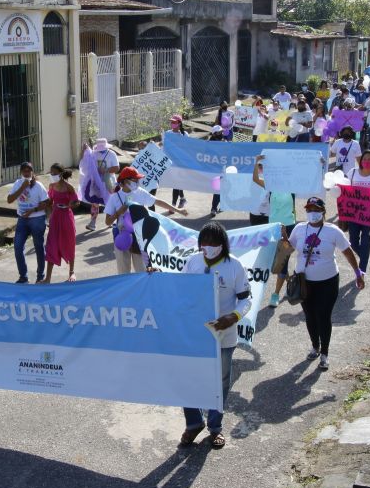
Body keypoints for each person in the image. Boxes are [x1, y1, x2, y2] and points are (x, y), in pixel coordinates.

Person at [180, 221, 251, 449]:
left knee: (220, 382)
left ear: (223, 245)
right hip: (194, 333)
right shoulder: (192, 262)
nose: (208, 247)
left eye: (214, 243)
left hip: (224, 335)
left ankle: (215, 428)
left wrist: (234, 317)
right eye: (205, 243)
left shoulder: (235, 266)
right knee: (187, 378)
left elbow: (245, 299)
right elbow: (177, 290)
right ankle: (193, 423)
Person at [287, 197, 365, 370]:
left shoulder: (333, 231)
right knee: (310, 316)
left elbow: (348, 252)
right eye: (309, 210)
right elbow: (288, 249)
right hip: (304, 282)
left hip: (327, 282)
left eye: (315, 209)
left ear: (323, 212)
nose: (312, 213)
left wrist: (358, 273)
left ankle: (325, 353)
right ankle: (315, 346)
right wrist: (282, 242)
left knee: (323, 316)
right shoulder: (299, 229)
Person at [104, 167, 187, 274]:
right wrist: (119, 212)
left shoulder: (140, 192)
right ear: (125, 181)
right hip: (122, 236)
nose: (138, 182)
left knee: (142, 270)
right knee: (123, 272)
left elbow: (157, 202)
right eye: (135, 180)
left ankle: (142, 290)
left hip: (140, 237)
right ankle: (128, 291)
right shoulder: (114, 197)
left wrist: (177, 210)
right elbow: (108, 222)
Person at [252, 156, 296, 307]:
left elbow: (311, 180)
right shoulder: (271, 186)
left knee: (283, 260)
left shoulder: (293, 186)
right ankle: (288, 278)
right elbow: (256, 179)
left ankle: (275, 294)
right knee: (275, 259)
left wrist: (320, 165)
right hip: (273, 227)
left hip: (289, 226)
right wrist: (256, 162)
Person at [7, 161, 50, 283]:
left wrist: (33, 210)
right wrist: (22, 187)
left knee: (38, 247)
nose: (26, 173)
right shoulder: (18, 184)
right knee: (18, 247)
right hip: (22, 219)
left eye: (28, 171)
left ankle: (40, 276)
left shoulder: (39, 186)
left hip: (37, 219)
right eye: (24, 171)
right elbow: (9, 200)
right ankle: (23, 276)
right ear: (21, 172)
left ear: (32, 172)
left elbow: (47, 203)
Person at [42, 164, 79, 283]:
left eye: (54, 173)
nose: (52, 175)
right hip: (55, 218)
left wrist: (68, 205)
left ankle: (72, 272)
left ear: (61, 174)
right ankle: (47, 278)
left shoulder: (69, 187)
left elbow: (76, 202)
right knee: (51, 246)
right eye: (51, 173)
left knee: (69, 243)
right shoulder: (51, 186)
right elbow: (50, 202)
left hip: (66, 218)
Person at [81, 138, 119, 231]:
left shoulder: (111, 154)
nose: (100, 151)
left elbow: (117, 168)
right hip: (96, 182)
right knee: (95, 202)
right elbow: (86, 162)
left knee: (109, 201)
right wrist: (85, 150)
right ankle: (92, 223)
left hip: (108, 182)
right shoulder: (93, 153)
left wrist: (106, 170)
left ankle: (110, 221)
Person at [167, 114, 189, 210]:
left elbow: (189, 148)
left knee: (175, 183)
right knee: (176, 183)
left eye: (174, 122)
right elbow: (163, 145)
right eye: (171, 122)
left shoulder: (184, 135)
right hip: (171, 163)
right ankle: (182, 198)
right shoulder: (168, 133)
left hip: (180, 163)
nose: (172, 124)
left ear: (179, 123)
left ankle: (173, 205)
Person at [208, 125, 227, 217]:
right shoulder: (209, 144)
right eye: (219, 132)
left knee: (223, 187)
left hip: (223, 168)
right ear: (215, 134)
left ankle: (221, 205)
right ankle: (214, 208)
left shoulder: (224, 141)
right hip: (214, 170)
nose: (221, 133)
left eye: (222, 132)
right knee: (218, 189)